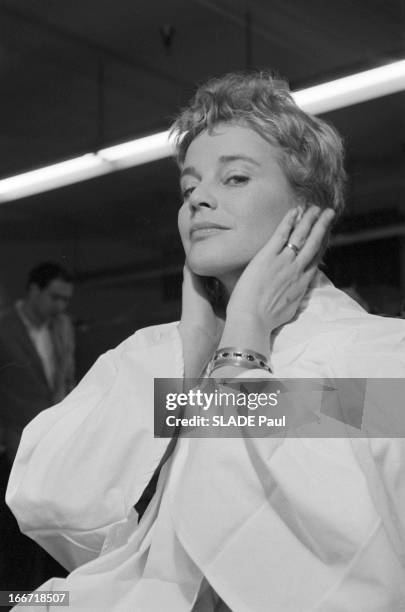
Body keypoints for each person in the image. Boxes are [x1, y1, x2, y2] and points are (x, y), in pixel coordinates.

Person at [6, 72, 405, 611]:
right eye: (189, 188)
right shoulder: (160, 355)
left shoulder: (380, 354)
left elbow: (296, 552)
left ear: (308, 206)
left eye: (234, 178)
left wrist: (241, 350)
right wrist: (195, 347)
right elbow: (50, 506)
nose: (200, 200)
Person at [0, 262, 75, 593]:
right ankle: (13, 602)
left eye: (65, 300)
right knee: (16, 540)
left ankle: (52, 600)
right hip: (14, 447)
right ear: (33, 290)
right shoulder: (4, 328)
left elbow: (66, 381)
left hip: (55, 448)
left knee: (50, 535)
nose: (60, 306)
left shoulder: (62, 326)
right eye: (55, 297)